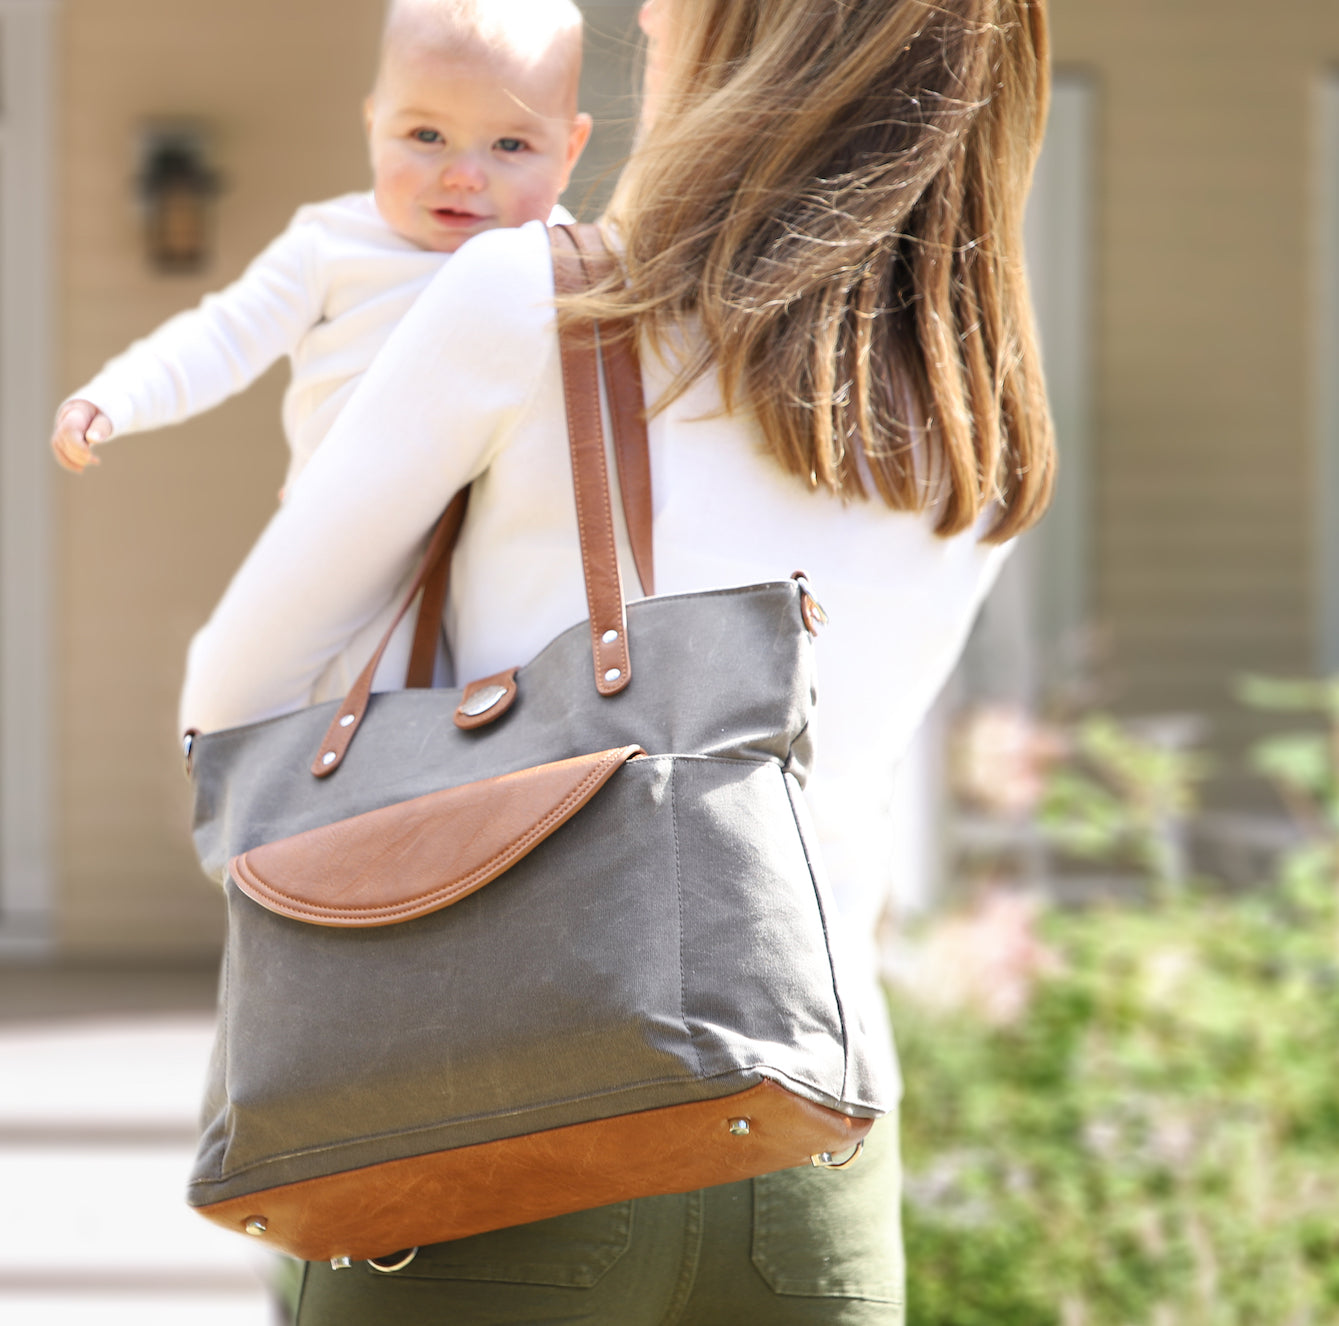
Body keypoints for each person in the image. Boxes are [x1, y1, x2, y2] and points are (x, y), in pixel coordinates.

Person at [178, 0, 1053, 1320]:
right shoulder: (975, 407)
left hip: (497, 1122)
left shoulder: (535, 294)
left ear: (752, 35)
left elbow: (235, 706)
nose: (641, 12)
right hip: (809, 1144)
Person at [49, 0, 592, 499]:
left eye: (510, 145)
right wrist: (116, 398)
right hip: (344, 526)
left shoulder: (570, 263)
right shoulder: (333, 247)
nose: (464, 176)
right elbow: (222, 338)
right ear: (374, 125)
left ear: (568, 154)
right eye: (427, 136)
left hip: (492, 536)